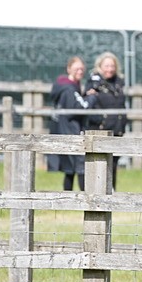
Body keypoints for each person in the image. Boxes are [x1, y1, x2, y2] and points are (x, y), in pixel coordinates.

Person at [47, 56, 97, 191]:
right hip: (71, 131)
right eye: (77, 68)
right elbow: (81, 107)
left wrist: (84, 95)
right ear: (69, 69)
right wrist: (91, 97)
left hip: (65, 130)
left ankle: (71, 199)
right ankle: (84, 199)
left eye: (82, 69)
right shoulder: (69, 89)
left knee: (70, 169)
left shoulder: (66, 87)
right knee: (79, 167)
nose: (80, 71)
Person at [86, 51, 127, 185]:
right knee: (98, 164)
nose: (110, 69)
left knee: (113, 163)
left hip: (117, 129)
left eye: (112, 66)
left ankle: (111, 192)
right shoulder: (94, 82)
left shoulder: (119, 83)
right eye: (107, 66)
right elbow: (88, 104)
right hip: (100, 130)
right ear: (100, 66)